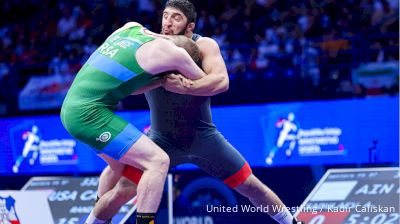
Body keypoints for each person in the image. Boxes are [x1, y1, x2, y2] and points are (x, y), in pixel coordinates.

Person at [97, 1, 304, 223]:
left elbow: (222, 81)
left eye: (176, 17)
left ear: (190, 27)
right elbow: (130, 88)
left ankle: (292, 222)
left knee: (252, 187)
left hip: (204, 138)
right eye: (165, 16)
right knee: (122, 191)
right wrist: (158, 81)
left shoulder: (205, 45)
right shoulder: (150, 47)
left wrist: (186, 86)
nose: (167, 22)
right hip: (161, 140)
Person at [60, 21, 206, 224]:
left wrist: (160, 81)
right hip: (89, 114)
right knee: (158, 162)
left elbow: (131, 87)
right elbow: (208, 84)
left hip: (70, 107)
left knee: (117, 166)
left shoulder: (131, 28)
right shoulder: (177, 54)